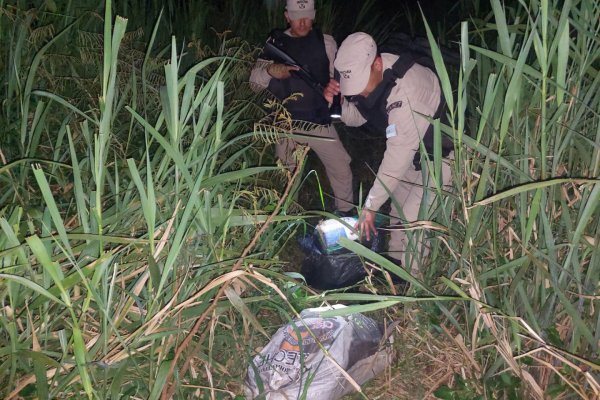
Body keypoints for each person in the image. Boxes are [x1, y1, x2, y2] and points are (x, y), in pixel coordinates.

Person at [324, 32, 453, 274]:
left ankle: (414, 282)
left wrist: (370, 206)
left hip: (443, 155)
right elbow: (355, 117)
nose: (359, 94)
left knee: (415, 218)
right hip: (413, 155)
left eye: (360, 87)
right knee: (398, 209)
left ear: (378, 63)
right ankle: (395, 268)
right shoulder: (370, 80)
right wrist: (338, 101)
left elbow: (397, 156)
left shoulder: (408, 88)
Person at [249, 0, 354, 216]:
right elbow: (253, 84)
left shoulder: (326, 42)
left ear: (314, 15)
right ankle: (287, 218)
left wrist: (334, 90)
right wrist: (270, 71)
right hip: (287, 124)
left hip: (318, 121)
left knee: (341, 166)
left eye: (307, 16)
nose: (303, 22)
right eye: (297, 17)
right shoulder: (275, 43)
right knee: (287, 177)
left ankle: (346, 214)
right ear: (287, 16)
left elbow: (336, 78)